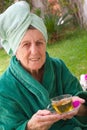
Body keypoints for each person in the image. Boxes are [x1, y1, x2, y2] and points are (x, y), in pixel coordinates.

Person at [0, 1, 87, 130]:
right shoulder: (4, 88)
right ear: (15, 52)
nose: (34, 51)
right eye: (26, 44)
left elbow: (84, 108)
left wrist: (77, 108)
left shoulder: (58, 67)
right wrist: (29, 127)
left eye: (39, 42)